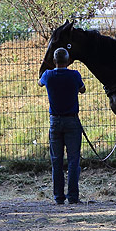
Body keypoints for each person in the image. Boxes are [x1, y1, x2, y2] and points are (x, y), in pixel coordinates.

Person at [38, 48, 86, 204]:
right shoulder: (74, 75)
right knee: (73, 160)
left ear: (54, 61)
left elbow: (39, 83)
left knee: (56, 160)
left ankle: (58, 197)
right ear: (68, 60)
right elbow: (82, 89)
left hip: (55, 122)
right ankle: (73, 197)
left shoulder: (48, 75)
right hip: (72, 121)